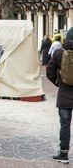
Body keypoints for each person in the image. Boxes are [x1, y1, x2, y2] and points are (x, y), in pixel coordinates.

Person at [46, 26, 73, 164]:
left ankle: (63, 154)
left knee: (65, 125)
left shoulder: (59, 53)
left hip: (64, 95)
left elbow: (49, 71)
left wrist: (58, 82)